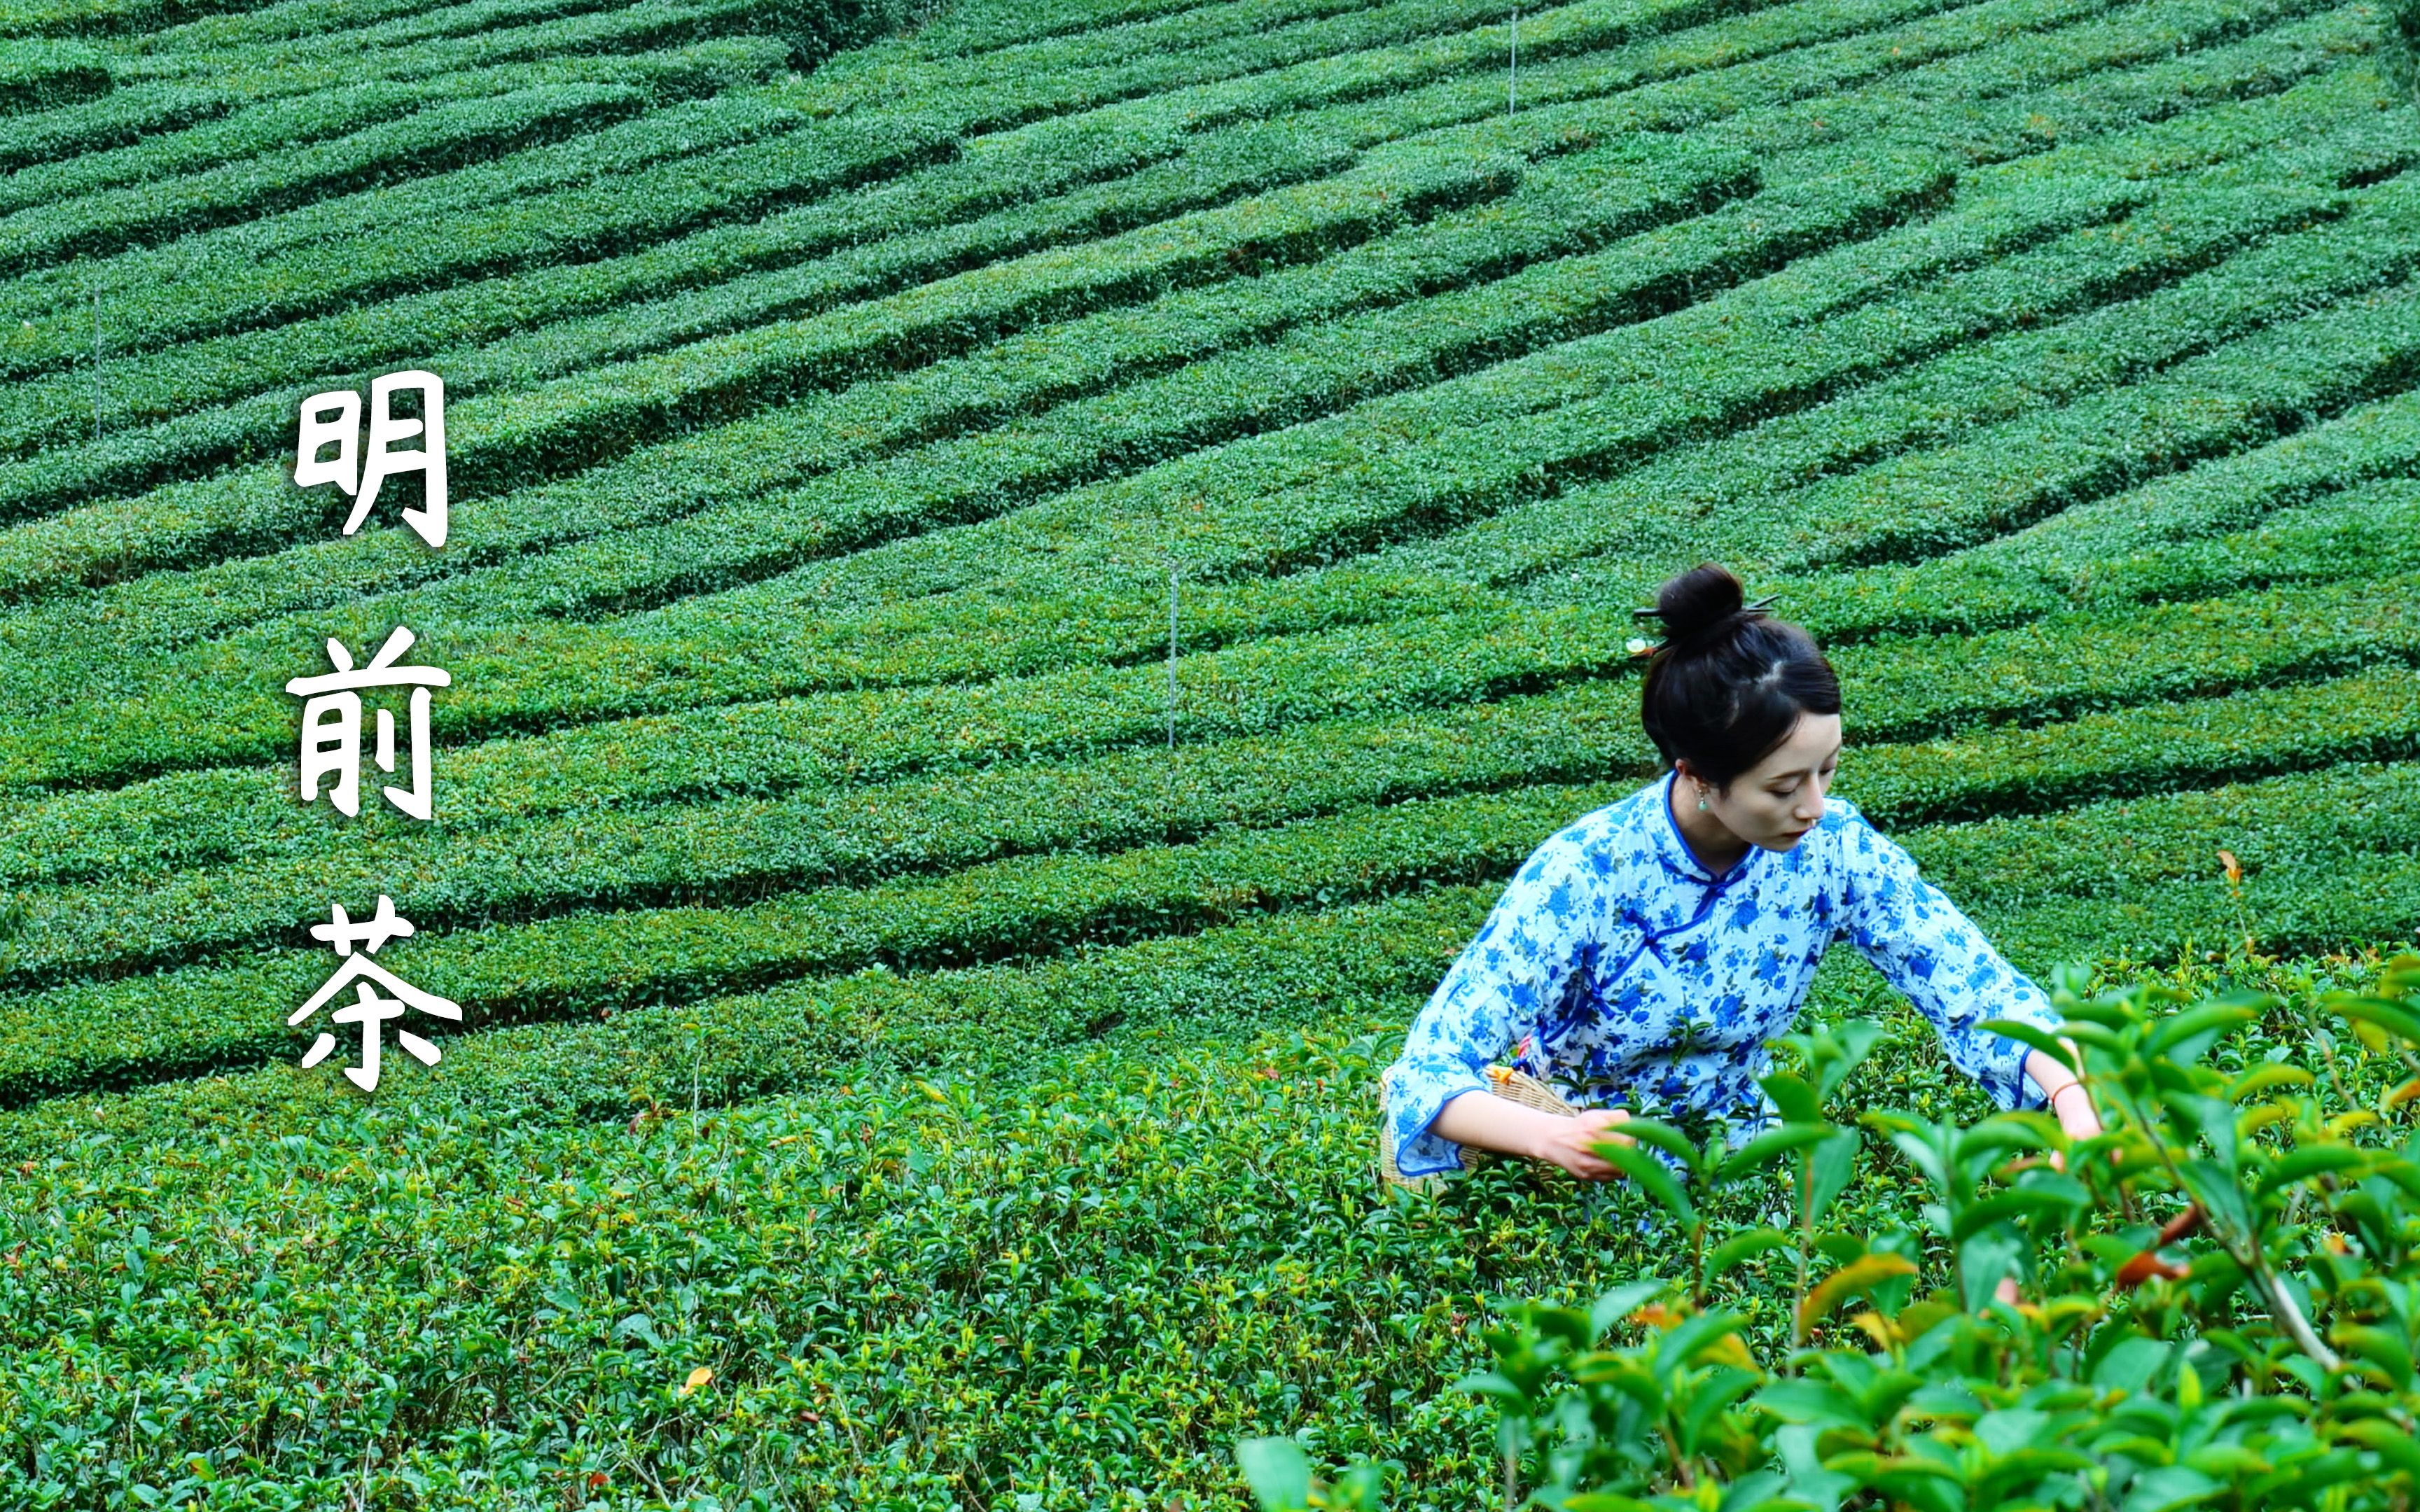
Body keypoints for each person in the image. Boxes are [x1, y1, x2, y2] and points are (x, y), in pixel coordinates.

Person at [1379, 561, 2105, 1187]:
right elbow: (1430, 1068)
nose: (1815, 807)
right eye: (1785, 788)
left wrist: (2074, 1103)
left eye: (1828, 770)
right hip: (1584, 1174)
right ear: (1696, 775)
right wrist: (1552, 1138)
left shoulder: (1836, 847)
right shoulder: (1587, 872)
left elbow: (1974, 987)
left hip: (1745, 1168)